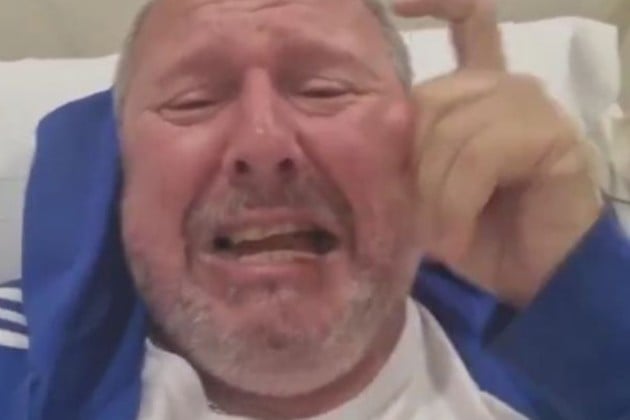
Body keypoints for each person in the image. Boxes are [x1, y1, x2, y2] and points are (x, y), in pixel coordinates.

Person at [0, 0, 629, 419]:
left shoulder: (570, 362)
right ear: (120, 171)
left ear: (415, 144)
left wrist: (588, 301)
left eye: (325, 90)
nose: (263, 143)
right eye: (192, 101)